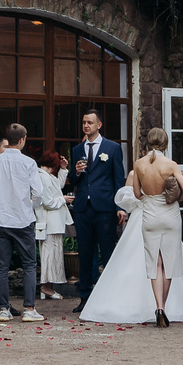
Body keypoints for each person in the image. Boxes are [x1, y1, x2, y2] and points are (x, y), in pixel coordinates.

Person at [80, 127, 183, 325]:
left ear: (148, 143)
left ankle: (158, 307)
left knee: (154, 263)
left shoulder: (139, 164)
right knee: (169, 264)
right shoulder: (171, 164)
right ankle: (164, 307)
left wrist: (151, 198)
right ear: (165, 143)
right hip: (169, 215)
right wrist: (171, 199)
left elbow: (137, 194)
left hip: (149, 214)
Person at [0, 122, 47, 322]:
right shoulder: (29, 163)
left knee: (1, 266)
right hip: (23, 218)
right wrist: (31, 205)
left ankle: (4, 308)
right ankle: (29, 308)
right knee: (30, 265)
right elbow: (39, 193)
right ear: (22, 140)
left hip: (1, 217)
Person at [64, 109, 129, 308]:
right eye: (84, 122)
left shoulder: (112, 148)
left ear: (99, 125)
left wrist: (120, 206)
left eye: (90, 123)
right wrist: (75, 172)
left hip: (105, 207)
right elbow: (72, 181)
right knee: (85, 253)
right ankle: (85, 297)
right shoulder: (77, 150)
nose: (86, 126)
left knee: (108, 252)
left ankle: (111, 296)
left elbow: (119, 178)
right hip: (83, 207)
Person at [33, 150, 73, 293]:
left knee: (54, 254)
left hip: (54, 222)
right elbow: (48, 202)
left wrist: (63, 169)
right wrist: (63, 199)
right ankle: (47, 286)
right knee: (49, 255)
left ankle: (50, 286)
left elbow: (58, 186)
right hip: (49, 221)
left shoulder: (48, 176)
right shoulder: (42, 177)